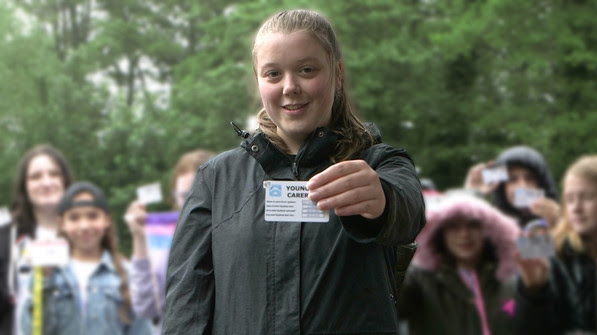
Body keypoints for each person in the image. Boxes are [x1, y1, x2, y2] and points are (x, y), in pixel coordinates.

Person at [161, 9, 425, 334]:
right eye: (273, 74)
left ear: (337, 73)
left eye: (307, 69)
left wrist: (382, 201)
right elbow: (186, 305)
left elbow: (410, 211)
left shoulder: (380, 164)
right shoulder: (217, 179)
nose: (290, 86)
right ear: (258, 81)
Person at [19, 181, 153, 335]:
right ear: (61, 223)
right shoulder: (47, 273)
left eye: (92, 216)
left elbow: (142, 330)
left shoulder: (128, 274)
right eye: (74, 218)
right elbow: (30, 330)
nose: (84, 226)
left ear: (107, 220)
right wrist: (43, 280)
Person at [398, 193, 520, 334]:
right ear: (439, 234)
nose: (464, 234)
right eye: (454, 227)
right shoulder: (419, 278)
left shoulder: (509, 279)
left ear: (488, 230)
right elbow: (389, 306)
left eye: (473, 225)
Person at [125, 149, 213, 334]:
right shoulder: (159, 236)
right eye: (183, 196)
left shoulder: (236, 236)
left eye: (196, 194)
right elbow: (145, 308)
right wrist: (139, 239)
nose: (189, 204)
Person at [515, 155, 597, 334]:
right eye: (569, 199)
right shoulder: (548, 249)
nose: (576, 208)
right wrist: (534, 292)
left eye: (587, 197)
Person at [0, 144, 73, 335]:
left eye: (54, 174)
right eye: (36, 177)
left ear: (65, 180)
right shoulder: (6, 237)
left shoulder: (85, 232)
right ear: (24, 186)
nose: (46, 182)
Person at [465, 145, 560, 228]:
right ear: (502, 187)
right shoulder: (490, 226)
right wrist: (472, 195)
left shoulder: (565, 220)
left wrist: (559, 225)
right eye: (513, 179)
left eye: (530, 178)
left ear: (541, 183)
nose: (522, 186)